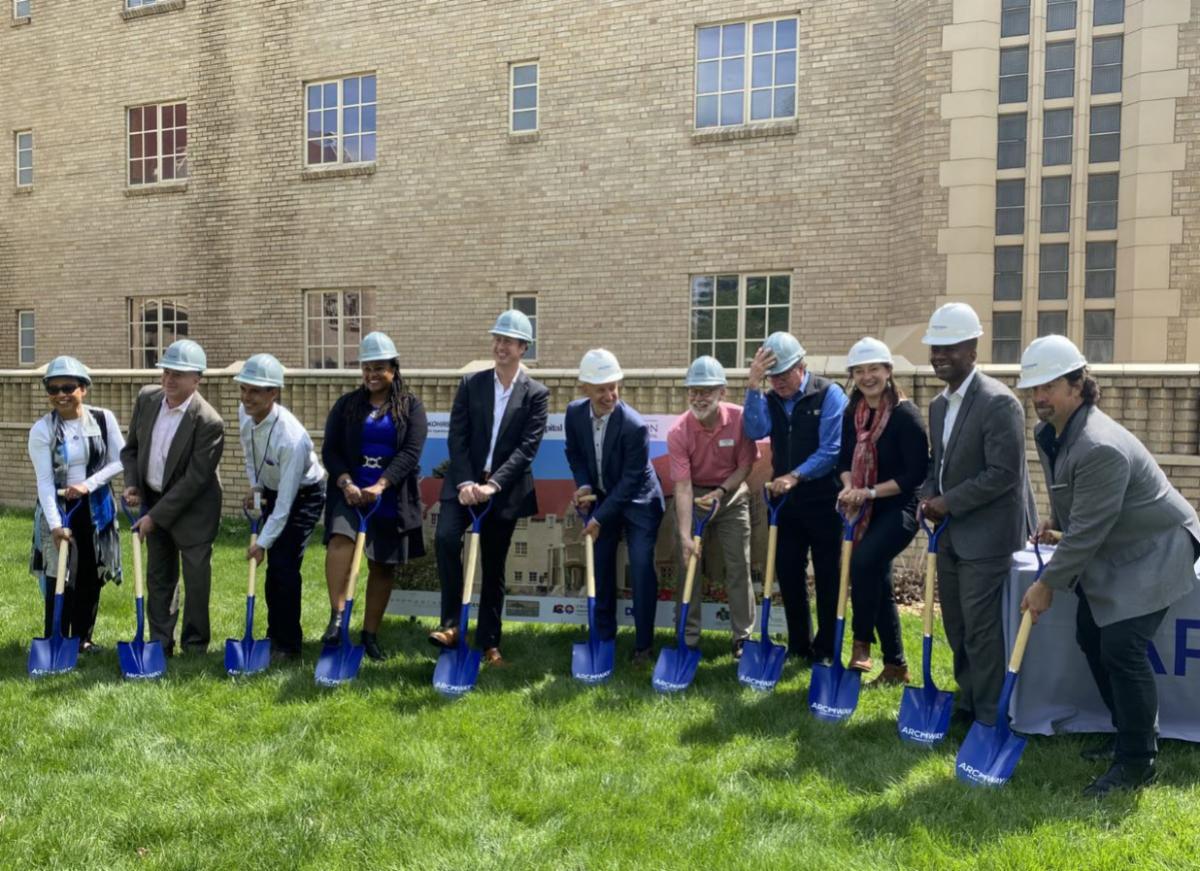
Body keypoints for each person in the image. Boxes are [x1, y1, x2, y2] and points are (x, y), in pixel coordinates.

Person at [1017, 335, 1200, 797]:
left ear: (1078, 385)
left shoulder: (1100, 445)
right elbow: (1071, 499)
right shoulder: (1049, 432)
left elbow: (1087, 534)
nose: (1039, 396)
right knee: (1091, 633)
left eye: (1049, 386)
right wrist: (1056, 521)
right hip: (1119, 543)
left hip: (1158, 546)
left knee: (1122, 646)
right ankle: (1127, 731)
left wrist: (1046, 584)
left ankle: (1137, 762)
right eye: (1034, 387)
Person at [917, 303, 1034, 726]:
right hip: (950, 532)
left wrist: (948, 502)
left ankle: (990, 717)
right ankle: (968, 701)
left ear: (972, 349)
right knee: (957, 624)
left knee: (982, 629)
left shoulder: (999, 402)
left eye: (949, 347)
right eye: (935, 348)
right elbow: (938, 464)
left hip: (988, 536)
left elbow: (1004, 474)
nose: (939, 356)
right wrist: (928, 495)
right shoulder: (938, 406)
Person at [428, 310, 548, 667]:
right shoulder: (471, 384)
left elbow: (527, 448)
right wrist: (467, 481)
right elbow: (457, 436)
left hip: (503, 491)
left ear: (523, 348)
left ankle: (489, 643)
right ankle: (451, 626)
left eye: (508, 341)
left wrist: (493, 485)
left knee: (494, 564)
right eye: (497, 339)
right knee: (445, 539)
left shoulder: (536, 394)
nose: (500, 346)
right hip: (463, 484)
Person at [743, 331, 848, 663]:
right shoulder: (769, 397)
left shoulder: (829, 394)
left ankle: (827, 649)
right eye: (772, 376)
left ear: (802, 366)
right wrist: (753, 386)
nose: (778, 382)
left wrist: (794, 476)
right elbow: (754, 430)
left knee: (829, 575)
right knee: (788, 573)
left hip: (824, 499)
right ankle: (800, 645)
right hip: (785, 503)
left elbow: (832, 450)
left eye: (784, 374)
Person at [322, 333, 427, 662]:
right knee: (340, 541)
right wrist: (345, 483)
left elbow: (410, 452)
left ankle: (369, 635)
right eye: (366, 368)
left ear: (393, 369)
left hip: (390, 498)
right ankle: (337, 618)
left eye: (379, 368)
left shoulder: (411, 407)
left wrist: (381, 485)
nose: (371, 375)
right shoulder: (347, 405)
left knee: (382, 565)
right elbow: (330, 450)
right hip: (350, 494)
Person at [121, 339, 225, 656]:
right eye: (166, 371)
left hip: (194, 510)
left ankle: (194, 645)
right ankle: (160, 643)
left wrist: (154, 517)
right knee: (159, 576)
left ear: (197, 379)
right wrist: (133, 484)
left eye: (178, 374)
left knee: (196, 580)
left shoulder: (208, 421)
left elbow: (195, 480)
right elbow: (131, 450)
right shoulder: (147, 399)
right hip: (154, 499)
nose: (169, 379)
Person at [835, 338, 928, 685]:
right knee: (878, 580)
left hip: (901, 507)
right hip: (864, 506)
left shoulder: (906, 415)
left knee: (862, 562)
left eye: (874, 368)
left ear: (888, 371)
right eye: (859, 371)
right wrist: (849, 486)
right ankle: (896, 666)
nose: (867, 376)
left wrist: (869, 492)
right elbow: (843, 461)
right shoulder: (853, 413)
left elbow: (915, 474)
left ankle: (861, 643)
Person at [565, 349, 665, 667]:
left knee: (640, 566)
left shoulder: (634, 426)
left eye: (613, 387)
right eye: (601, 389)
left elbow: (631, 481)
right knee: (600, 564)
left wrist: (598, 518)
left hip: (639, 501)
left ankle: (643, 646)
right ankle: (604, 638)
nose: (609, 396)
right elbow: (574, 453)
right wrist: (584, 484)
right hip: (603, 497)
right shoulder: (574, 413)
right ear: (584, 388)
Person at [27, 356, 125, 652]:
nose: (60, 395)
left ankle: (83, 638)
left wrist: (87, 485)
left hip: (96, 509)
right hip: (58, 509)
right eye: (53, 389)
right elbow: (45, 482)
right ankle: (56, 639)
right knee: (58, 575)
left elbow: (120, 460)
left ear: (83, 388)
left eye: (68, 387)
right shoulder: (42, 430)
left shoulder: (103, 420)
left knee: (90, 575)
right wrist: (56, 526)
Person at [234, 354, 326, 662]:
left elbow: (285, 506)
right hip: (273, 489)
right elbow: (250, 455)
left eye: (255, 391)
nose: (247, 397)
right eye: (244, 389)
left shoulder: (291, 439)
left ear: (273, 392)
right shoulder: (245, 413)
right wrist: (256, 488)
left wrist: (261, 543)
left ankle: (287, 645)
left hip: (304, 495)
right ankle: (274, 636)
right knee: (275, 570)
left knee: (284, 566)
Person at [666, 355, 758, 659]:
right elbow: (682, 486)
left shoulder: (740, 420)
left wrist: (721, 492)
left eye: (706, 391)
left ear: (722, 392)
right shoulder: (678, 431)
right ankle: (687, 637)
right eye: (693, 391)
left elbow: (745, 466)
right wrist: (685, 537)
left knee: (739, 565)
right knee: (688, 564)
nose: (698, 397)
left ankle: (743, 638)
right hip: (695, 497)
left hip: (731, 495)